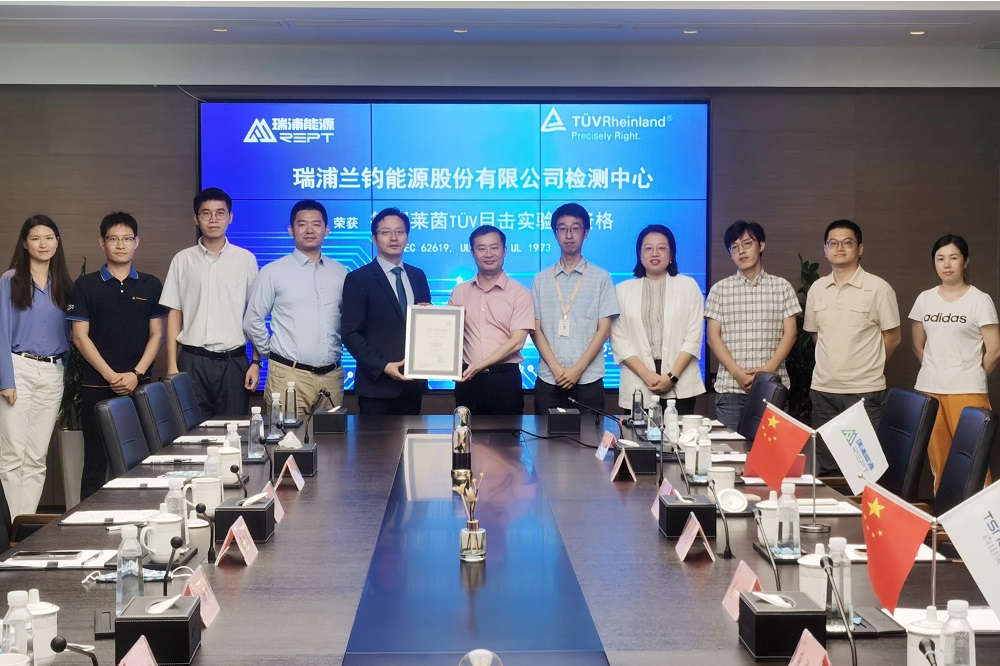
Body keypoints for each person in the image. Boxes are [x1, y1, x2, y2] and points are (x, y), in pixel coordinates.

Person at [68, 212, 166, 499]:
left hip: (139, 386)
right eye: (113, 239)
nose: (120, 245)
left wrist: (135, 374)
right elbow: (79, 336)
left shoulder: (150, 285)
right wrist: (111, 376)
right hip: (96, 386)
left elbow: (157, 335)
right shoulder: (85, 285)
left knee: (142, 464)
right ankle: (89, 523)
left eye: (127, 239)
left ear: (137, 242)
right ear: (102, 242)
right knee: (95, 464)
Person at [804, 219, 900, 476]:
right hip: (823, 391)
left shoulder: (879, 288)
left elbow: (892, 338)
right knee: (828, 470)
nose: (840, 248)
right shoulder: (817, 289)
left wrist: (868, 366)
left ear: (860, 249)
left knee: (865, 471)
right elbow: (816, 335)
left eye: (847, 243)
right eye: (833, 243)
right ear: (825, 249)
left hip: (864, 393)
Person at [909, 234, 999, 493]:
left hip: (967, 390)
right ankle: (945, 515)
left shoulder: (979, 300)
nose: (946, 264)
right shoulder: (925, 299)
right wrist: (937, 369)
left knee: (973, 461)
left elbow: (994, 350)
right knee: (940, 461)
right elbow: (918, 346)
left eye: (953, 258)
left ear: (965, 261)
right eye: (940, 259)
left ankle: (982, 516)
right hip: (930, 390)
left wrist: (972, 375)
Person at [160, 187, 259, 419]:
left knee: (234, 430)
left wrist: (256, 362)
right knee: (191, 430)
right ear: (196, 218)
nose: (213, 219)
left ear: (230, 217)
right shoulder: (182, 260)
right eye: (206, 213)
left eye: (220, 213)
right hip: (192, 361)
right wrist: (172, 365)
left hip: (234, 362)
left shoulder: (245, 260)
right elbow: (175, 312)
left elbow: (253, 315)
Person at [243, 200, 347, 417]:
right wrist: (272, 353)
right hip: (288, 378)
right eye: (302, 224)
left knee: (332, 439)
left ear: (327, 230)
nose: (309, 230)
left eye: (316, 224)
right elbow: (252, 319)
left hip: (331, 378)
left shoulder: (341, 272)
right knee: (286, 438)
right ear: (291, 230)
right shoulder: (273, 272)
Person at [0, 216, 73, 517]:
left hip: (53, 373)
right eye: (35, 238)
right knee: (12, 456)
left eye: (49, 237)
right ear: (25, 243)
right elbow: (2, 332)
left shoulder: (65, 286)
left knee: (37, 457)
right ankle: (9, 529)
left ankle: (24, 528)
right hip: (19, 369)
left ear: (57, 242)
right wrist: (6, 380)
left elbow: (72, 334)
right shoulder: (11, 280)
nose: (43, 244)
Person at [705, 220, 800, 430]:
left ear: (761, 245)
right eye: (734, 247)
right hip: (731, 389)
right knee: (728, 449)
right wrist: (738, 373)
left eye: (747, 244)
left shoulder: (782, 287)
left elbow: (790, 333)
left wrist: (766, 372)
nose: (741, 251)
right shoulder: (719, 290)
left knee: (770, 450)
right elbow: (713, 337)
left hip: (772, 389)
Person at [531, 203, 619, 416]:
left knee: (590, 436)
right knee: (544, 436)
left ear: (585, 232)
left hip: (588, 379)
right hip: (549, 379)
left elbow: (604, 330)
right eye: (562, 228)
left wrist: (577, 370)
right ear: (555, 233)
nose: (569, 235)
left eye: (575, 228)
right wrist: (557, 369)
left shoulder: (601, 278)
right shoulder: (541, 279)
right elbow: (535, 329)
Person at [342, 207, 431, 416]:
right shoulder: (359, 279)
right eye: (385, 232)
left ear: (407, 237)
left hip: (412, 385)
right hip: (377, 388)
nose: (393, 238)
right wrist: (383, 366)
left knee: (413, 438)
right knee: (375, 440)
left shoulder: (418, 276)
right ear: (374, 239)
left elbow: (425, 327)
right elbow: (350, 333)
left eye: (399, 232)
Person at [611, 224, 705, 416]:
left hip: (680, 379)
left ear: (671, 254)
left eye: (662, 248)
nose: (655, 253)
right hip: (638, 379)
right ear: (639, 254)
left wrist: (672, 377)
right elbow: (619, 341)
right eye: (648, 248)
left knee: (679, 434)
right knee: (638, 434)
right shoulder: (622, 290)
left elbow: (693, 337)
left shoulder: (688, 286)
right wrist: (647, 375)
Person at [447, 225, 533, 415]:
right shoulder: (459, 292)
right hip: (468, 381)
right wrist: (427, 315)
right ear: (472, 252)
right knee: (466, 432)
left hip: (504, 380)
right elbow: (447, 333)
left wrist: (480, 365)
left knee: (508, 434)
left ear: (504, 251)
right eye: (481, 248)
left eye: (494, 247)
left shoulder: (520, 294)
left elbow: (517, 342)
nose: (488, 254)